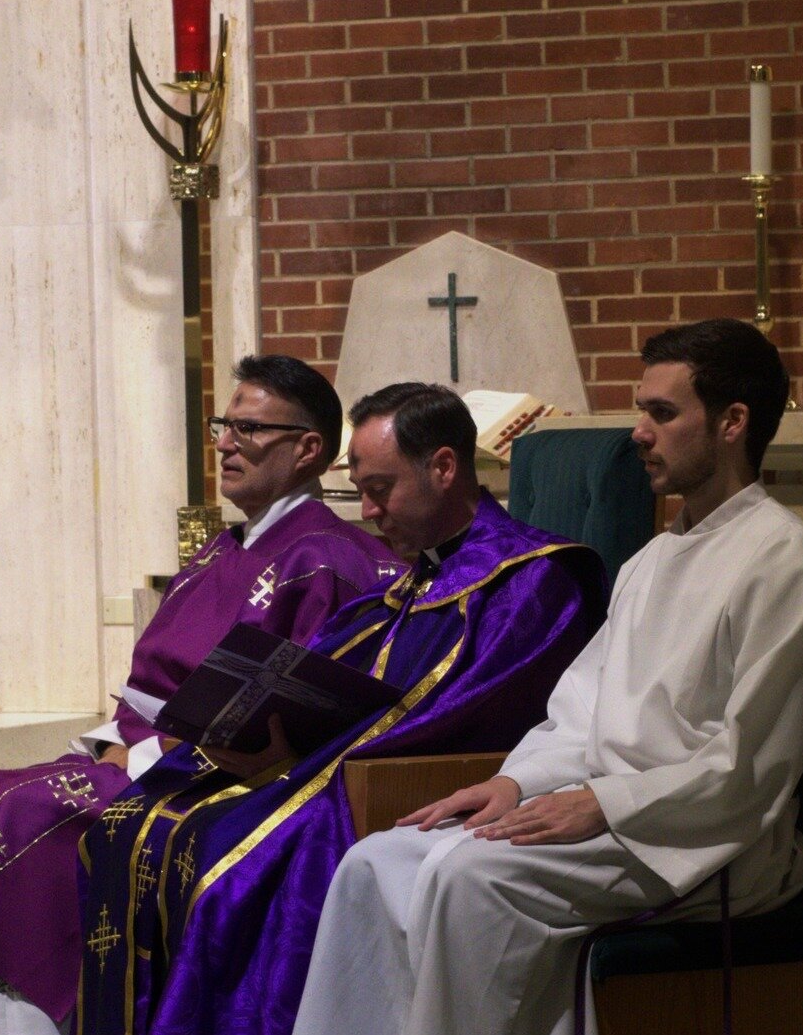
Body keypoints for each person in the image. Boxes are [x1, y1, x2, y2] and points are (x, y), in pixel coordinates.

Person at [292, 319, 803, 1035]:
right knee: (375, 865)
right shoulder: (653, 558)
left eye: (661, 412)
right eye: (640, 411)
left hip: (705, 839)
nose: (639, 434)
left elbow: (746, 767)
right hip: (608, 814)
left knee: (471, 882)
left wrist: (606, 802)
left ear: (731, 422)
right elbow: (582, 712)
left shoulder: (789, 565)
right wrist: (515, 783)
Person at [0, 356, 398, 1035]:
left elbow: (280, 701)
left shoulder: (328, 557)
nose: (223, 444)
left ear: (308, 448)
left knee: (24, 813)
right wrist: (115, 738)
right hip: (142, 749)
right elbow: (151, 679)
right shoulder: (221, 549)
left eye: (248, 428)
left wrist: (149, 753)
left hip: (219, 773)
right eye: (223, 425)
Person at [78, 382, 611, 1035]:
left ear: (443, 468)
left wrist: (300, 754)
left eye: (381, 488)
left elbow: (463, 713)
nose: (367, 509)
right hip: (335, 770)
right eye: (360, 487)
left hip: (402, 789)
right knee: (134, 824)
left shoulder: (533, 580)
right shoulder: (418, 580)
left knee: (222, 872)